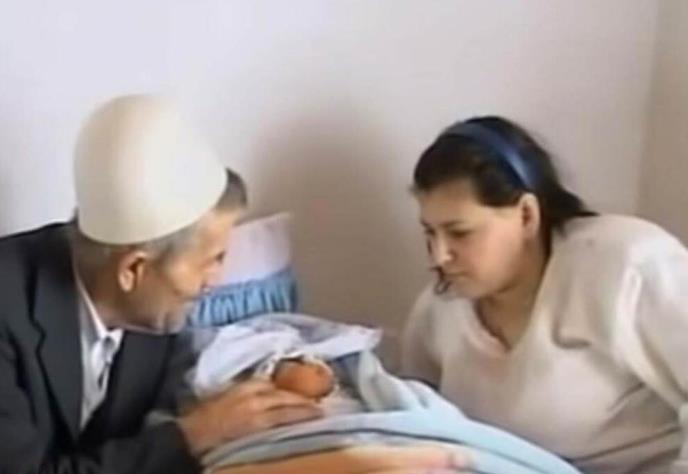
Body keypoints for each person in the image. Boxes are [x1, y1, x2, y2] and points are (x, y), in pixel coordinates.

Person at [0, 95, 322, 473]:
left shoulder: (153, 314)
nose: (215, 281)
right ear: (134, 270)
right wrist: (195, 434)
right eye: (211, 261)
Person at [401, 116, 688, 474]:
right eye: (430, 233)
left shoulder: (626, 265)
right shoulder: (439, 311)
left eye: (459, 233)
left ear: (526, 215)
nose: (440, 256)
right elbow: (415, 423)